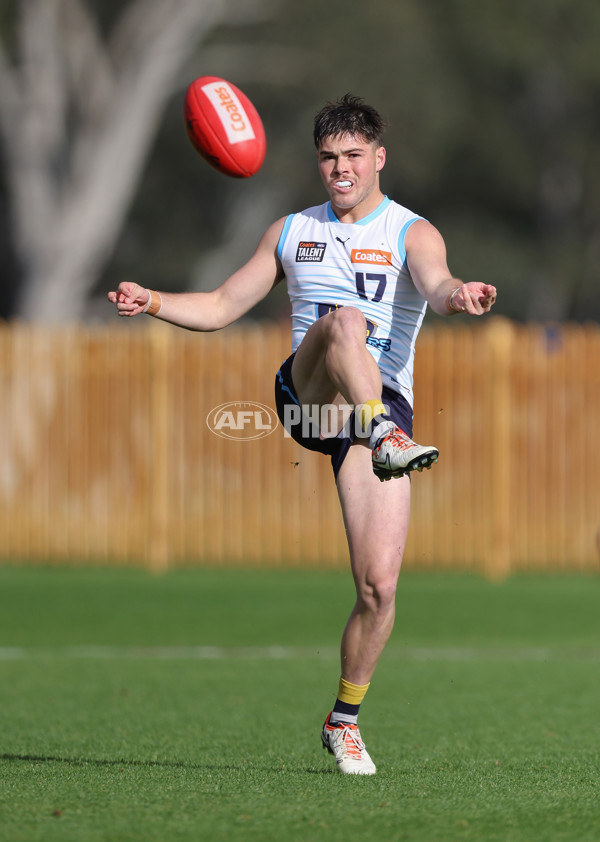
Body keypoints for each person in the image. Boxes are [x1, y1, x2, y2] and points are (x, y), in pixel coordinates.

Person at [108, 94, 497, 775]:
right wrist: (155, 302)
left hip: (378, 415)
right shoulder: (290, 231)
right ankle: (381, 433)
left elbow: (436, 284)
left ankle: (342, 720)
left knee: (379, 588)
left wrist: (459, 295)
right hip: (311, 399)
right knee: (345, 322)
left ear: (378, 158)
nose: (339, 169)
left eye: (352, 156)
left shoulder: (412, 231)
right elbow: (225, 305)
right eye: (327, 158)